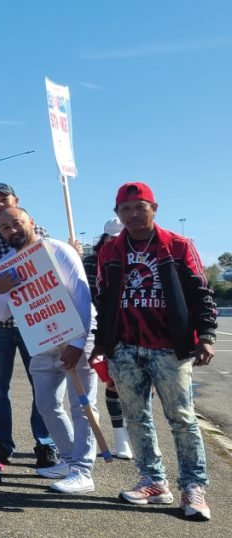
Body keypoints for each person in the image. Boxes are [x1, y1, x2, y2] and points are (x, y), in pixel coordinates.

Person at [93, 182, 217, 521]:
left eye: (140, 207)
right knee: (136, 418)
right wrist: (102, 345)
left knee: (182, 419)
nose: (133, 214)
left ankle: (193, 486)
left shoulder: (177, 246)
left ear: (154, 208)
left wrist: (206, 335)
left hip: (169, 348)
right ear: (117, 213)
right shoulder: (110, 251)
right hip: (125, 349)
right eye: (126, 209)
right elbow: (103, 299)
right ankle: (152, 480)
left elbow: (200, 292)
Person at [0, 207, 97, 494]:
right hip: (40, 340)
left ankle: (83, 471)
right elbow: (0, 314)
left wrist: (77, 344)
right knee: (47, 404)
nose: (12, 230)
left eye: (17, 223)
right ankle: (69, 460)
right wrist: (0, 289)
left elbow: (82, 296)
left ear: (31, 222)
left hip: (76, 337)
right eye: (5, 228)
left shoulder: (59, 250)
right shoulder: (4, 265)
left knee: (83, 406)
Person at [0, 182, 58, 467]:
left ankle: (46, 443)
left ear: (16, 200)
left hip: (37, 320)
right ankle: (1, 443)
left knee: (42, 386)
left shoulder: (38, 231)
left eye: (3, 199)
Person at [84, 218, 133, 460]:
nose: (116, 241)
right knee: (111, 381)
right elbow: (90, 296)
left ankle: (132, 436)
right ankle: (118, 437)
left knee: (139, 385)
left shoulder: (136, 255)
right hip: (103, 327)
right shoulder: (92, 262)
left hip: (136, 326)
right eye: (111, 237)